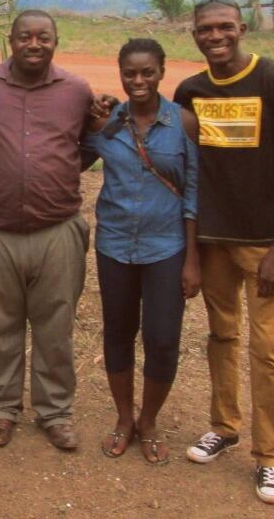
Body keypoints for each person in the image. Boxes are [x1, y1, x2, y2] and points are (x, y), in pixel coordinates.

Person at [173, 0, 274, 504]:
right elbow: (185, 166)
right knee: (221, 337)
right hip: (212, 242)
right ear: (194, 34)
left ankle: (270, 457)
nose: (216, 36)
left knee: (268, 349)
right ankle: (224, 425)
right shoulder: (191, 91)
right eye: (206, 28)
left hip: (263, 245)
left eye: (225, 27)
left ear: (242, 28)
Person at [0, 9, 92, 449]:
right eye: (25, 37)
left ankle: (55, 413)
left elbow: (87, 147)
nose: (33, 44)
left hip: (57, 231)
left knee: (56, 327)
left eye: (43, 37)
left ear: (56, 41)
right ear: (11, 41)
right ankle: (0, 409)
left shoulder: (76, 91)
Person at [81, 38, 200, 464]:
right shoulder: (108, 123)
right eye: (130, 73)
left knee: (163, 338)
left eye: (147, 72)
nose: (138, 80)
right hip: (114, 243)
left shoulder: (182, 123)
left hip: (166, 246)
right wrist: (89, 120)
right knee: (118, 332)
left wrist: (192, 258)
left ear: (162, 72)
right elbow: (76, 158)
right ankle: (124, 418)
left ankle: (149, 420)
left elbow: (193, 193)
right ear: (120, 74)